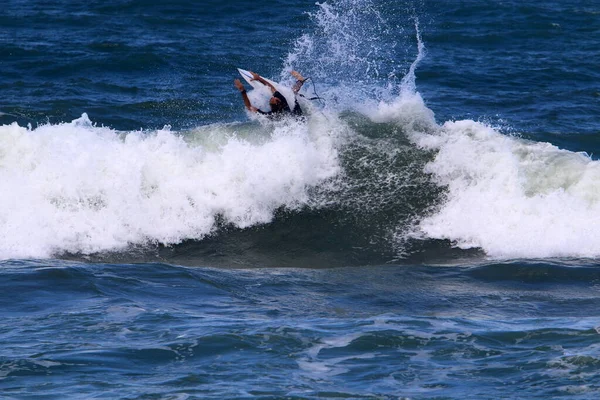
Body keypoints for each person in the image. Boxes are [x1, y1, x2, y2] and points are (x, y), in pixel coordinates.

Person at [234, 70, 306, 118]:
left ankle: (300, 80)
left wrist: (242, 90)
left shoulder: (270, 116)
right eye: (274, 98)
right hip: (297, 116)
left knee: (292, 94)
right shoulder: (283, 101)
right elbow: (271, 87)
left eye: (271, 98)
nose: (273, 97)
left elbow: (249, 107)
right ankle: (300, 80)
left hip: (292, 119)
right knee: (292, 94)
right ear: (279, 102)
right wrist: (259, 78)